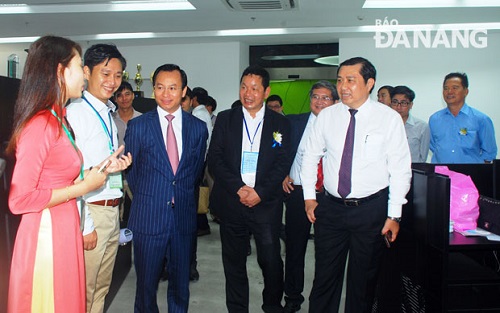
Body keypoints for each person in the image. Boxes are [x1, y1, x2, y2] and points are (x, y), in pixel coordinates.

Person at [6, 35, 130, 313]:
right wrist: (85, 187)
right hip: (47, 232)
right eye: (77, 67)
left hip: (64, 223)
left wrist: (100, 171)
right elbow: (20, 199)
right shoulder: (41, 123)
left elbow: (61, 175)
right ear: (61, 72)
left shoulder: (57, 119)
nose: (83, 77)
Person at [301, 57, 411, 313]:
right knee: (325, 278)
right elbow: (310, 156)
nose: (343, 86)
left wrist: (394, 214)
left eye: (351, 80)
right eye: (340, 80)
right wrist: (309, 196)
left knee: (363, 283)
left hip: (370, 210)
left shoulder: (388, 119)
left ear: (369, 83)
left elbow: (400, 169)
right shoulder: (327, 116)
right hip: (330, 209)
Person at [125, 63, 208, 313]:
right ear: (153, 90)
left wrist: (176, 194)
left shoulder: (197, 128)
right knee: (146, 286)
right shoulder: (138, 127)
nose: (166, 93)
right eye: (160, 87)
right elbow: (133, 172)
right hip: (148, 217)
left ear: (184, 91)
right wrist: (154, 196)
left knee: (180, 285)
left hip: (182, 217)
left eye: (173, 87)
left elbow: (194, 172)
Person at [208, 65, 291, 313]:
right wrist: (239, 188)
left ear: (266, 91)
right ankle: (237, 308)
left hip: (265, 204)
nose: (248, 93)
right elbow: (215, 159)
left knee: (271, 260)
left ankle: (272, 305)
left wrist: (260, 192)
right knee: (233, 262)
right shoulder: (225, 118)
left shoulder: (280, 124)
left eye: (255, 88)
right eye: (244, 87)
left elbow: (282, 162)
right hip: (233, 201)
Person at [66, 43, 132, 313]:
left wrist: (113, 167)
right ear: (86, 71)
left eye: (117, 75)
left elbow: (94, 165)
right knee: (84, 289)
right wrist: (85, 225)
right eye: (105, 73)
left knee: (102, 287)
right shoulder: (76, 113)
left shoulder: (106, 111)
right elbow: (71, 174)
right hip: (91, 210)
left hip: (111, 209)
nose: (112, 82)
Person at [281, 80, 339, 313]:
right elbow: (279, 150)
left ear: (335, 101)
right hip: (297, 193)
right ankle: (293, 297)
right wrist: (282, 173)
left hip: (328, 196)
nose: (320, 101)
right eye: (316, 96)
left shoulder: (341, 125)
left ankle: (321, 302)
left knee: (326, 252)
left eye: (326, 98)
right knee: (295, 248)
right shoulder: (294, 122)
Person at [429, 72, 497, 163]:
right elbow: (434, 146)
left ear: (466, 91)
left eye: (455, 88)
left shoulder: (481, 119)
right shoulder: (434, 119)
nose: (449, 92)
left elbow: (489, 153)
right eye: (446, 88)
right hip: (442, 174)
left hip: (471, 174)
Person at [390, 85, 430, 163]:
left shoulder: (422, 127)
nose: (398, 107)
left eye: (403, 103)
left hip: (413, 171)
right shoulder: (384, 125)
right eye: (395, 102)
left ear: (411, 105)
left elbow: (423, 157)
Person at [113, 81, 142, 147]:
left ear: (133, 96)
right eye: (119, 95)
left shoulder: (143, 119)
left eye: (127, 94)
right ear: (115, 99)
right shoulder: (109, 120)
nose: (124, 98)